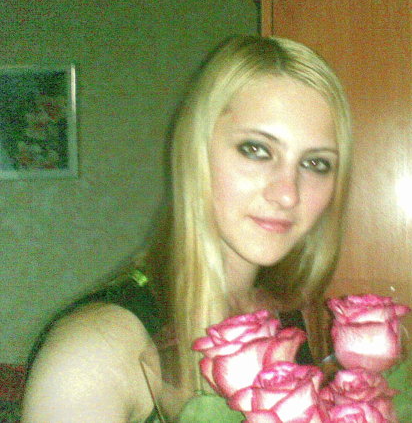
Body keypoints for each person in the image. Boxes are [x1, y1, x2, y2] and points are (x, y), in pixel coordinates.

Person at [21, 35, 353, 422]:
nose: (287, 193)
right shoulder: (92, 354)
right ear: (196, 151)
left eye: (315, 164)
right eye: (256, 149)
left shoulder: (290, 320)